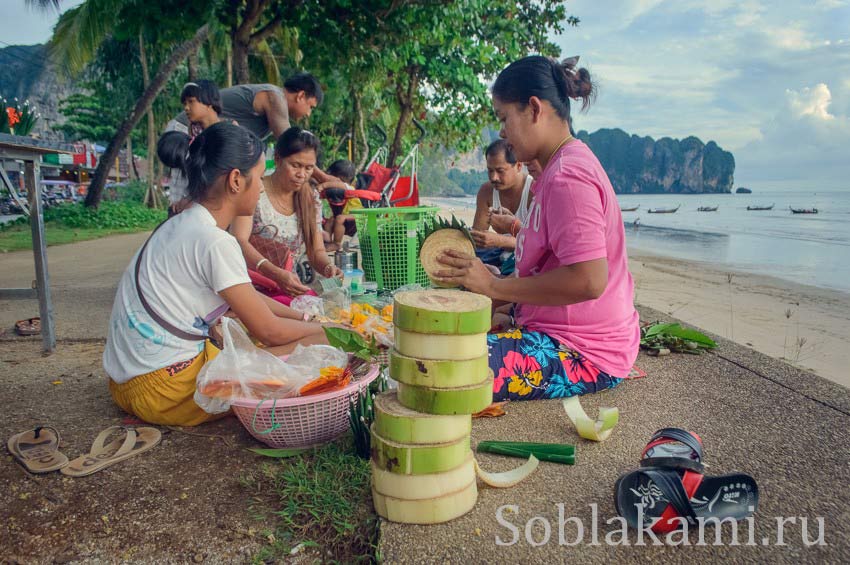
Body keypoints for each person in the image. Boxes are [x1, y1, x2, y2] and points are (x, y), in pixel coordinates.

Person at [435, 55, 640, 401]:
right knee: (434, 339)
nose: (502, 131)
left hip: (584, 352)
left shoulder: (567, 177)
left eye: (504, 118)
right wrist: (495, 283)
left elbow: (589, 280)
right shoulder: (559, 168)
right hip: (565, 334)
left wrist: (495, 284)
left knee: (439, 363)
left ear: (533, 109)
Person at [105, 123, 328, 426]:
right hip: (166, 392)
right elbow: (269, 330)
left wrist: (302, 317)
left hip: (126, 383)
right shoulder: (215, 242)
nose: (262, 186)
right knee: (316, 344)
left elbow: (249, 301)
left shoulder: (180, 225)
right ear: (236, 180)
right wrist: (326, 331)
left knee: (279, 339)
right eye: (258, 176)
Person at [232, 127, 343, 303]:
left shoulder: (310, 199)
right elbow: (239, 240)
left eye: (309, 168)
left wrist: (328, 267)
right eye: (295, 165)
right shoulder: (254, 190)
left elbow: (316, 251)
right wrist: (274, 273)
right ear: (277, 159)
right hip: (250, 286)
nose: (301, 175)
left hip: (288, 287)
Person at [172, 72, 335, 183]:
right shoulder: (274, 97)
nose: (308, 114)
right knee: (186, 196)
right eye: (311, 107)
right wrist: (323, 177)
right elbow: (291, 145)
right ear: (300, 96)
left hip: (202, 139)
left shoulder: (275, 107)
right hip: (185, 131)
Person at [163, 80, 229, 215]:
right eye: (185, 103)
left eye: (191, 101)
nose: (186, 108)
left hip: (213, 208)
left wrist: (191, 200)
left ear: (209, 102)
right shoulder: (186, 132)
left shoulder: (228, 132)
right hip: (180, 206)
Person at [470, 139, 532, 252]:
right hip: (501, 256)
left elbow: (539, 243)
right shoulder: (486, 191)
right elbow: (477, 239)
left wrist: (500, 240)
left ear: (518, 166)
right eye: (490, 171)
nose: (494, 177)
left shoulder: (534, 190)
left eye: (500, 171)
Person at [318, 159, 359, 250]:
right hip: (345, 216)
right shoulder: (336, 190)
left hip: (358, 215)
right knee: (331, 220)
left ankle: (336, 244)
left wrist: (324, 185)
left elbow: (342, 185)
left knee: (340, 218)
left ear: (339, 178)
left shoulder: (349, 187)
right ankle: (326, 242)